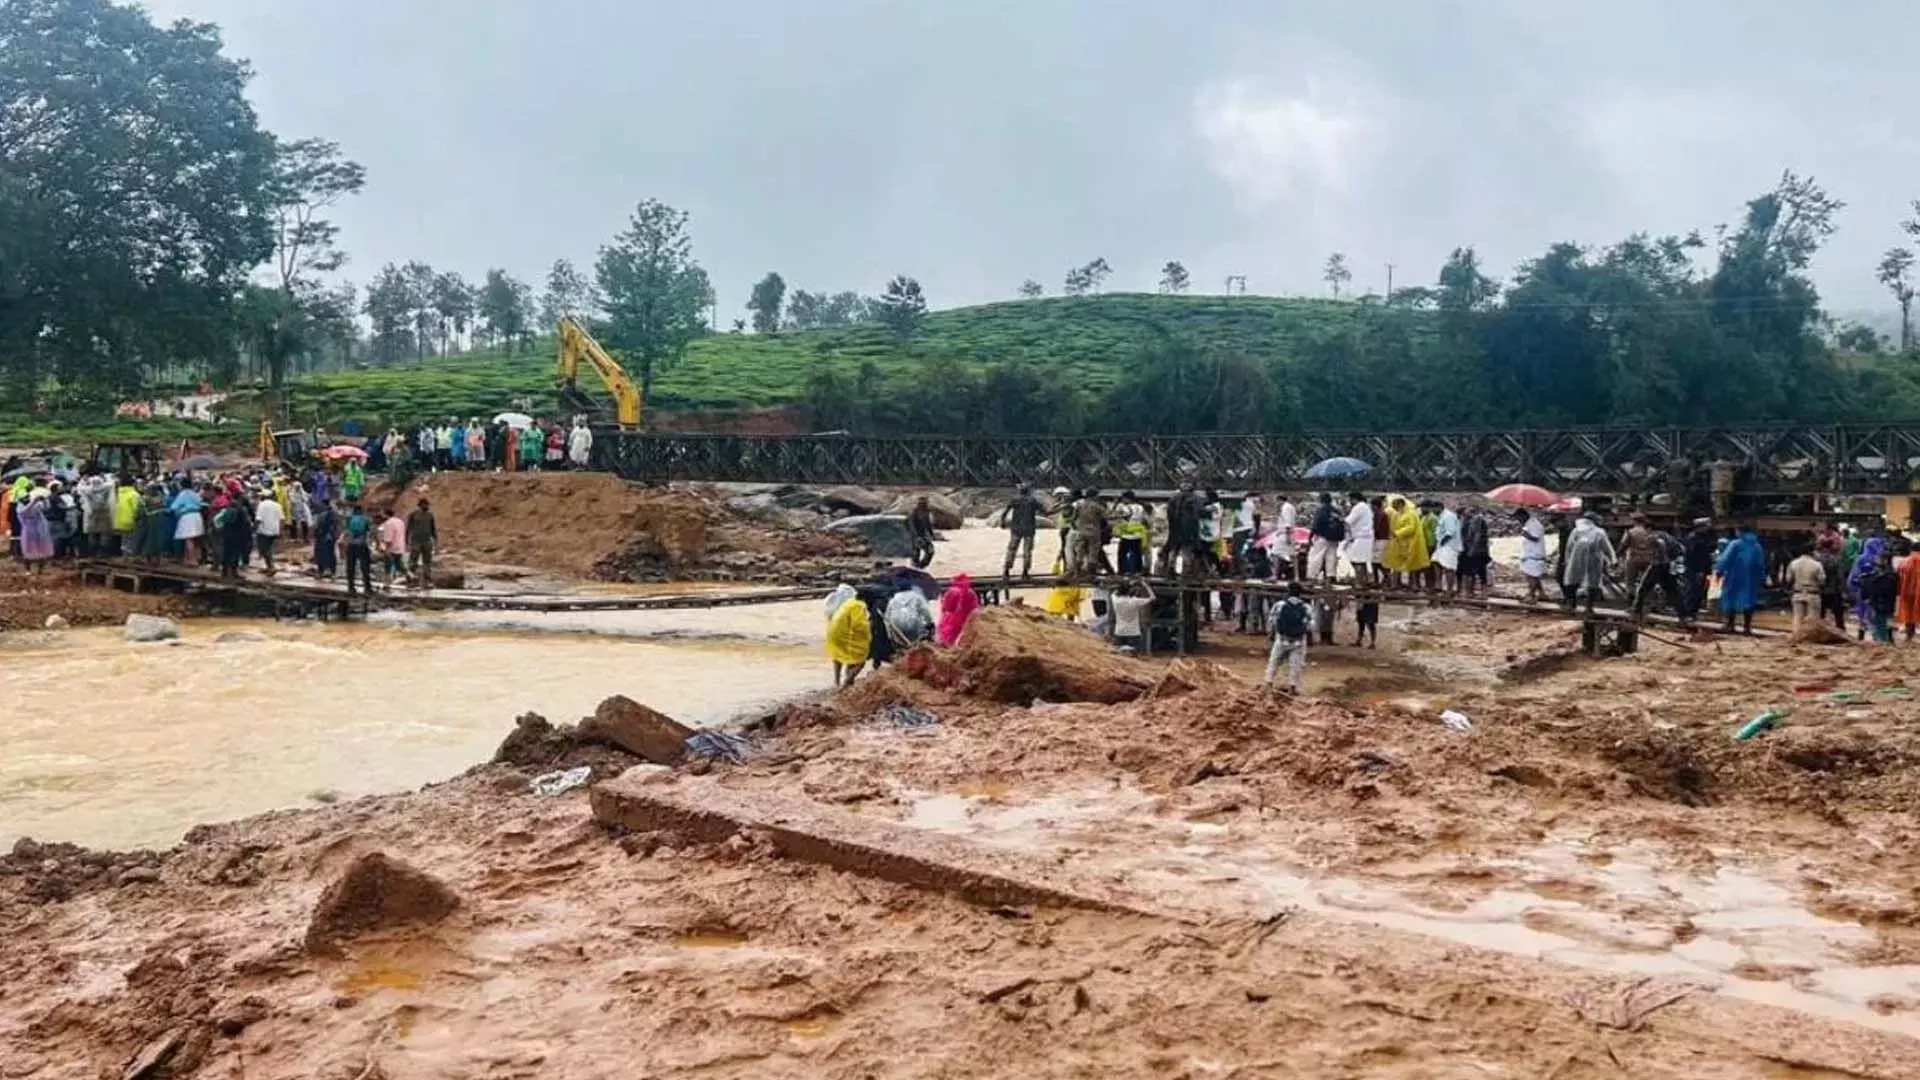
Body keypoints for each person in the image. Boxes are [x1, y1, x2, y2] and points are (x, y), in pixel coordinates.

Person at [1561, 514, 1615, 614]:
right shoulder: (1578, 531)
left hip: (1588, 559)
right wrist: (1613, 559)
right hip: (1584, 558)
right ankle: (1576, 605)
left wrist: (1612, 559)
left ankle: (1585, 606)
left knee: (1589, 582)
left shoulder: (1596, 532)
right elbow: (1569, 547)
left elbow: (1569, 547)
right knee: (1576, 581)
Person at [1716, 526, 1765, 634]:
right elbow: (1760, 563)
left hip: (1734, 576)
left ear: (1740, 532)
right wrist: (1762, 577)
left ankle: (1730, 625)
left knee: (1730, 599)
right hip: (1751, 578)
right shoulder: (1757, 546)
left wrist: (1719, 571)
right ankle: (1747, 627)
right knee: (1749, 601)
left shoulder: (1735, 544)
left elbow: (1725, 558)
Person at [1264, 582, 1311, 694]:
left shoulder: (1279, 605)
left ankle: (1268, 683)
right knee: (1296, 665)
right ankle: (1292, 687)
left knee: (1274, 661)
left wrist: (1271, 634)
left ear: (1288, 592)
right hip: (1298, 641)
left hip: (1281, 638)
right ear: (1300, 593)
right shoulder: (1306, 607)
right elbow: (1310, 625)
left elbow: (1272, 621)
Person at [825, 589, 871, 688]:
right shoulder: (859, 605)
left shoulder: (849, 602)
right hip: (843, 634)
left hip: (832, 632)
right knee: (861, 660)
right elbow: (858, 624)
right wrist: (869, 631)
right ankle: (847, 682)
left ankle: (836, 683)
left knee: (838, 656)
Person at [1382, 496, 1430, 588]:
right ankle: (1396, 584)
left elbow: (1411, 528)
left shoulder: (1411, 514)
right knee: (1396, 564)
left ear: (1401, 504)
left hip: (1410, 543)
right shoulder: (1399, 514)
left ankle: (1412, 584)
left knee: (1412, 565)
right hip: (1400, 543)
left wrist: (1397, 533)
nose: (1393, 507)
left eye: (1395, 505)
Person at [999, 484, 1042, 579]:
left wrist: (1002, 522)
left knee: (1011, 550)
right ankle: (1025, 573)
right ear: (1028, 491)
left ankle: (1006, 571)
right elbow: (1046, 511)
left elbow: (1005, 512)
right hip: (1029, 529)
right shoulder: (1032, 501)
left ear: (1020, 491)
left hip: (1016, 529)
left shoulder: (1015, 500)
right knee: (1027, 552)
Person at [1786, 544, 1825, 637]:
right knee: (1812, 620)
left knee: (1797, 619)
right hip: (1813, 594)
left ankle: (1796, 638)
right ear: (1812, 552)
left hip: (1797, 593)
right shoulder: (1817, 565)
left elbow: (1788, 579)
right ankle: (1810, 640)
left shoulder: (1793, 563)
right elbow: (1822, 581)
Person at [1861, 548, 1898, 643]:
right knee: (1885, 620)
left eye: (1879, 558)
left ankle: (1881, 640)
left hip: (1880, 601)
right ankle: (1886, 638)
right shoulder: (1892, 573)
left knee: (1879, 621)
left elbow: (1875, 586)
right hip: (1888, 601)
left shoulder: (1882, 574)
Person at [1307, 492, 1344, 583]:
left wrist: (1310, 536)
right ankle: (1330, 576)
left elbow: (1316, 524)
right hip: (1334, 537)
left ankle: (1312, 576)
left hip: (1322, 536)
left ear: (1321, 500)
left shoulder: (1321, 510)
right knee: (1331, 557)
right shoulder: (1336, 510)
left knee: (1316, 557)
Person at [1067, 489, 1105, 577]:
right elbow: (1106, 515)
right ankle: (1091, 575)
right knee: (1093, 554)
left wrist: (1075, 526)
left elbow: (1072, 517)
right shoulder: (1097, 506)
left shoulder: (1079, 505)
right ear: (1094, 496)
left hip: (1081, 531)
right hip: (1093, 532)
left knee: (1080, 553)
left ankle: (1076, 574)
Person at [936, 572, 981, 645]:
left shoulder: (952, 591)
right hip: (966, 623)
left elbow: (946, 607)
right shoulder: (972, 592)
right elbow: (975, 609)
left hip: (951, 622)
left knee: (945, 643)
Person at [341, 501, 374, 596]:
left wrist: (344, 545)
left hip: (350, 545)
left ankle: (351, 587)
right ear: (361, 511)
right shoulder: (366, 519)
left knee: (350, 567)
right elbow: (370, 532)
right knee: (365, 567)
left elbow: (345, 532)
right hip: (362, 545)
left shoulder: (348, 519)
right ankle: (367, 588)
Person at [1110, 580, 1153, 651]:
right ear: (1129, 591)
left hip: (1120, 631)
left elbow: (1114, 593)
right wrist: (1146, 585)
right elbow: (1152, 597)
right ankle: (1127, 649)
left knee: (1117, 650)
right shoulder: (1135, 601)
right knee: (1135, 649)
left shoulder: (1115, 600)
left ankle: (1121, 649)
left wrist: (1129, 584)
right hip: (1134, 632)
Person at [1342, 492, 1375, 586]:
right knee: (1362, 561)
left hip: (1360, 537)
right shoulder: (1365, 506)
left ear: (1354, 499)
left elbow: (1348, 521)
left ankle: (1358, 582)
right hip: (1365, 537)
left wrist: (1338, 518)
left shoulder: (1359, 507)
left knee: (1356, 561)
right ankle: (1365, 580)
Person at [169, 482, 206, 565]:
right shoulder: (195, 494)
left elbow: (174, 506)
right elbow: (200, 503)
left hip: (187, 517)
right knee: (195, 539)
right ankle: (190, 559)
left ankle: (192, 560)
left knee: (189, 540)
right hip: (197, 516)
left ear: (181, 486)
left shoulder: (183, 494)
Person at [1113, 491, 1148, 575]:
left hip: (1127, 534)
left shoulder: (1124, 507)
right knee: (1137, 554)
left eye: (1123, 499)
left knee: (1122, 554)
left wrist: (1115, 504)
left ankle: (1123, 571)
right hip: (1137, 534)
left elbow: (1115, 515)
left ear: (1127, 499)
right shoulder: (1140, 507)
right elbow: (1144, 520)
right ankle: (1137, 571)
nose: (1122, 500)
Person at [407, 497, 438, 589]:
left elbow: (433, 529)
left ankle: (427, 580)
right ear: (420, 505)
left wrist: (435, 541)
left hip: (427, 541)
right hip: (416, 541)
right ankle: (411, 579)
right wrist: (406, 541)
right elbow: (408, 529)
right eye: (425, 504)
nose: (426, 506)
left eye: (427, 504)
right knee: (413, 561)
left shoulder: (430, 515)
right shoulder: (413, 515)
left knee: (427, 561)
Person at [1518, 509, 1548, 603]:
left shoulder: (1534, 525)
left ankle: (1531, 596)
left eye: (1518, 518)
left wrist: (1525, 534)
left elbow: (1535, 538)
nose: (1518, 520)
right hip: (1530, 554)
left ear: (1523, 516)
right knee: (1533, 575)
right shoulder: (1528, 524)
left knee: (1532, 576)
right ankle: (1542, 594)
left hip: (1535, 555)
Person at [17, 490, 52, 572]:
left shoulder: (35, 504)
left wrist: (45, 500)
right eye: (25, 498)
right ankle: (28, 570)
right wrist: (33, 502)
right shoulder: (20, 507)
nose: (27, 499)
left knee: (42, 549)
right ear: (20, 499)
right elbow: (24, 511)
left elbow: (46, 508)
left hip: (39, 528)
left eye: (27, 497)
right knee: (28, 550)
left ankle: (40, 569)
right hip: (28, 530)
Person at [1459, 508, 1491, 598]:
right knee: (1477, 571)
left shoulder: (1477, 520)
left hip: (1476, 550)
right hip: (1475, 550)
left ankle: (1473, 592)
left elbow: (1477, 535)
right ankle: (1473, 592)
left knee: (1474, 572)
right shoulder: (1469, 521)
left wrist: (1471, 550)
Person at [1432, 502, 1462, 594]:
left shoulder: (1449, 516)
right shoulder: (1441, 516)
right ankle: (1439, 585)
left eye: (1434, 509)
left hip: (1450, 546)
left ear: (1440, 507)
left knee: (1449, 568)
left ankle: (1449, 589)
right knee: (1435, 562)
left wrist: (1442, 542)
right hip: (1442, 546)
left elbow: (1450, 532)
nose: (1433, 511)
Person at [1816, 544, 1846, 632]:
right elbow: (1840, 577)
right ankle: (1840, 630)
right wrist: (1842, 590)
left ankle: (1820, 630)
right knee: (1838, 614)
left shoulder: (1817, 561)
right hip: (1834, 590)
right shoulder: (1836, 560)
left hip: (1821, 590)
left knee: (1821, 613)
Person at [254, 485, 283, 574]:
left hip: (264, 530)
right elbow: (281, 519)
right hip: (274, 530)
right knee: (269, 548)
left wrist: (254, 529)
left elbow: (258, 519)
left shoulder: (261, 505)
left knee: (264, 549)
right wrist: (280, 531)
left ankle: (271, 567)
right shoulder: (277, 505)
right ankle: (269, 566)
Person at [378, 507, 408, 589]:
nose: (381, 516)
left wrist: (385, 549)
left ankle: (386, 583)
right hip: (400, 546)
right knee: (398, 565)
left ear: (385, 514)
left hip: (391, 548)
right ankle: (409, 576)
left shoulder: (388, 523)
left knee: (388, 566)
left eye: (382, 514)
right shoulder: (400, 521)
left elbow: (388, 539)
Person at [1896, 539, 1920, 641]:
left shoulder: (1904, 562)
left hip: (1906, 593)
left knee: (1908, 614)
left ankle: (1909, 636)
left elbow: (1898, 576)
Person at [111, 476, 139, 557]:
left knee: (124, 539)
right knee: (132, 539)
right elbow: (136, 508)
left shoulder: (119, 493)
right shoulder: (134, 494)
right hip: (131, 520)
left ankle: (124, 556)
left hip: (120, 521)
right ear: (133, 484)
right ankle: (131, 556)